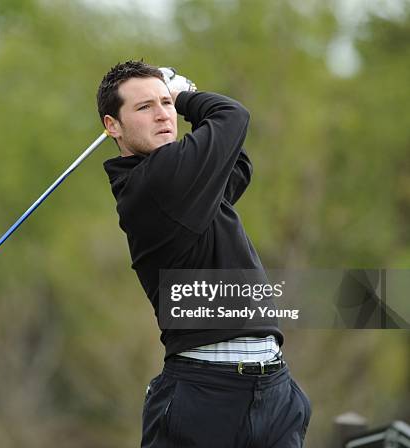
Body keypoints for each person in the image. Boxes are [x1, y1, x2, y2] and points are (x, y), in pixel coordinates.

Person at [97, 60, 311, 447]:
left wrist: (181, 101)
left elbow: (237, 164)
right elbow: (232, 116)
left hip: (273, 390)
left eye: (165, 102)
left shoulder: (185, 187)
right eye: (145, 107)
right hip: (205, 395)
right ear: (112, 125)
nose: (163, 114)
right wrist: (184, 96)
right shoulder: (152, 184)